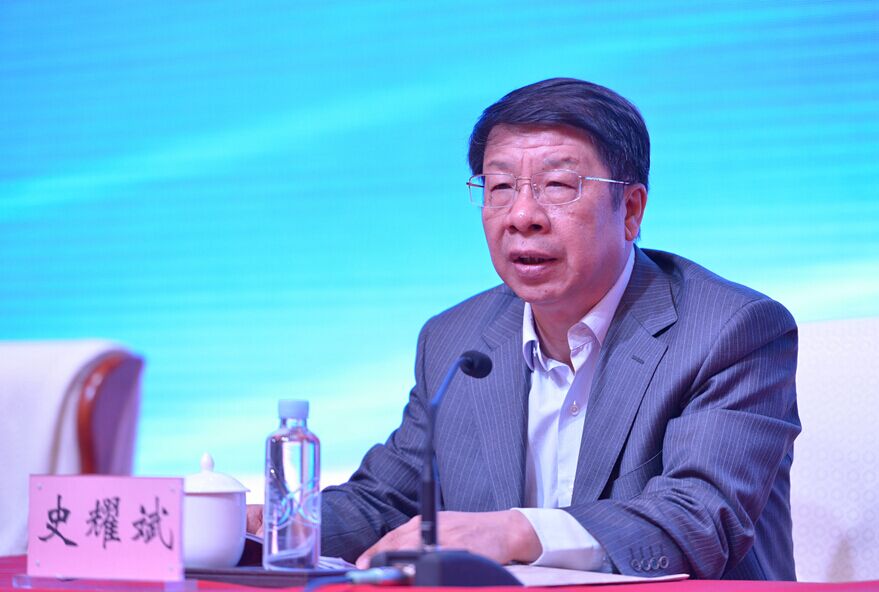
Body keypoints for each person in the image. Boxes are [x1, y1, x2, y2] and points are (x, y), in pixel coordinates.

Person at [249, 78, 800, 580]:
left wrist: (514, 532)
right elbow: (387, 503)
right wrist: (265, 525)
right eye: (500, 187)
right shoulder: (455, 339)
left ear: (631, 210)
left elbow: (699, 517)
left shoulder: (730, 331)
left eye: (558, 185)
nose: (522, 216)